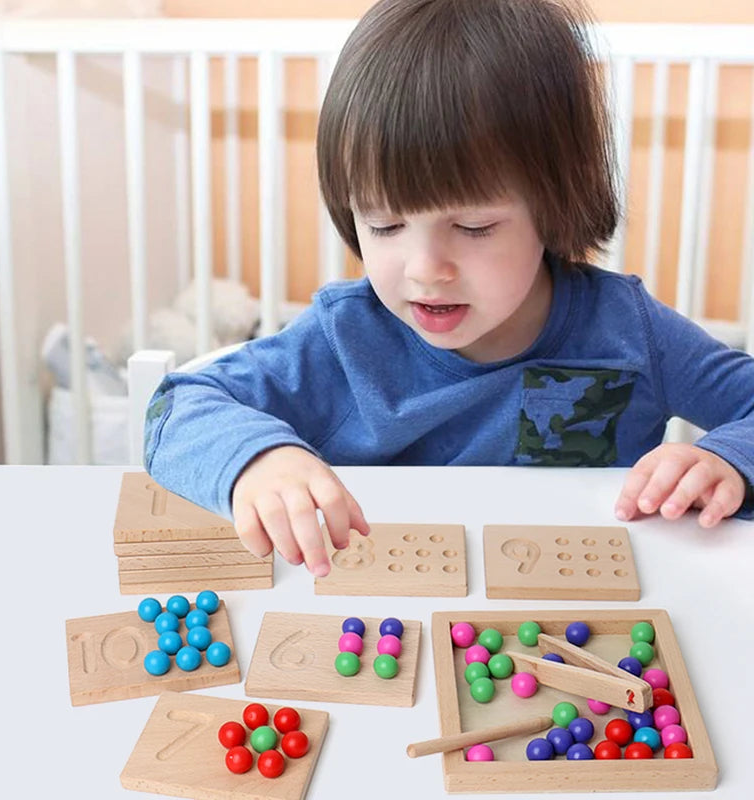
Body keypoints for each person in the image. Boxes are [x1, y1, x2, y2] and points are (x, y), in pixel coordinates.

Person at [145, 0, 754, 577]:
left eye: (473, 227)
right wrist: (258, 458)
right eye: (383, 225)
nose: (425, 268)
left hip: (580, 622)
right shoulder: (344, 339)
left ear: (556, 205)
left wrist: (727, 462)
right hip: (385, 624)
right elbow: (175, 408)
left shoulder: (626, 329)